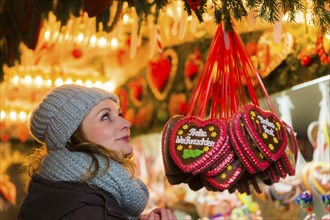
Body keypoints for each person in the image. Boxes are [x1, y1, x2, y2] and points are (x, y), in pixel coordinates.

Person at [18, 84, 177, 220]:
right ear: (74, 136)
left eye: (119, 114)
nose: (126, 123)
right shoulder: (83, 210)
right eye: (106, 116)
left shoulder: (74, 195)